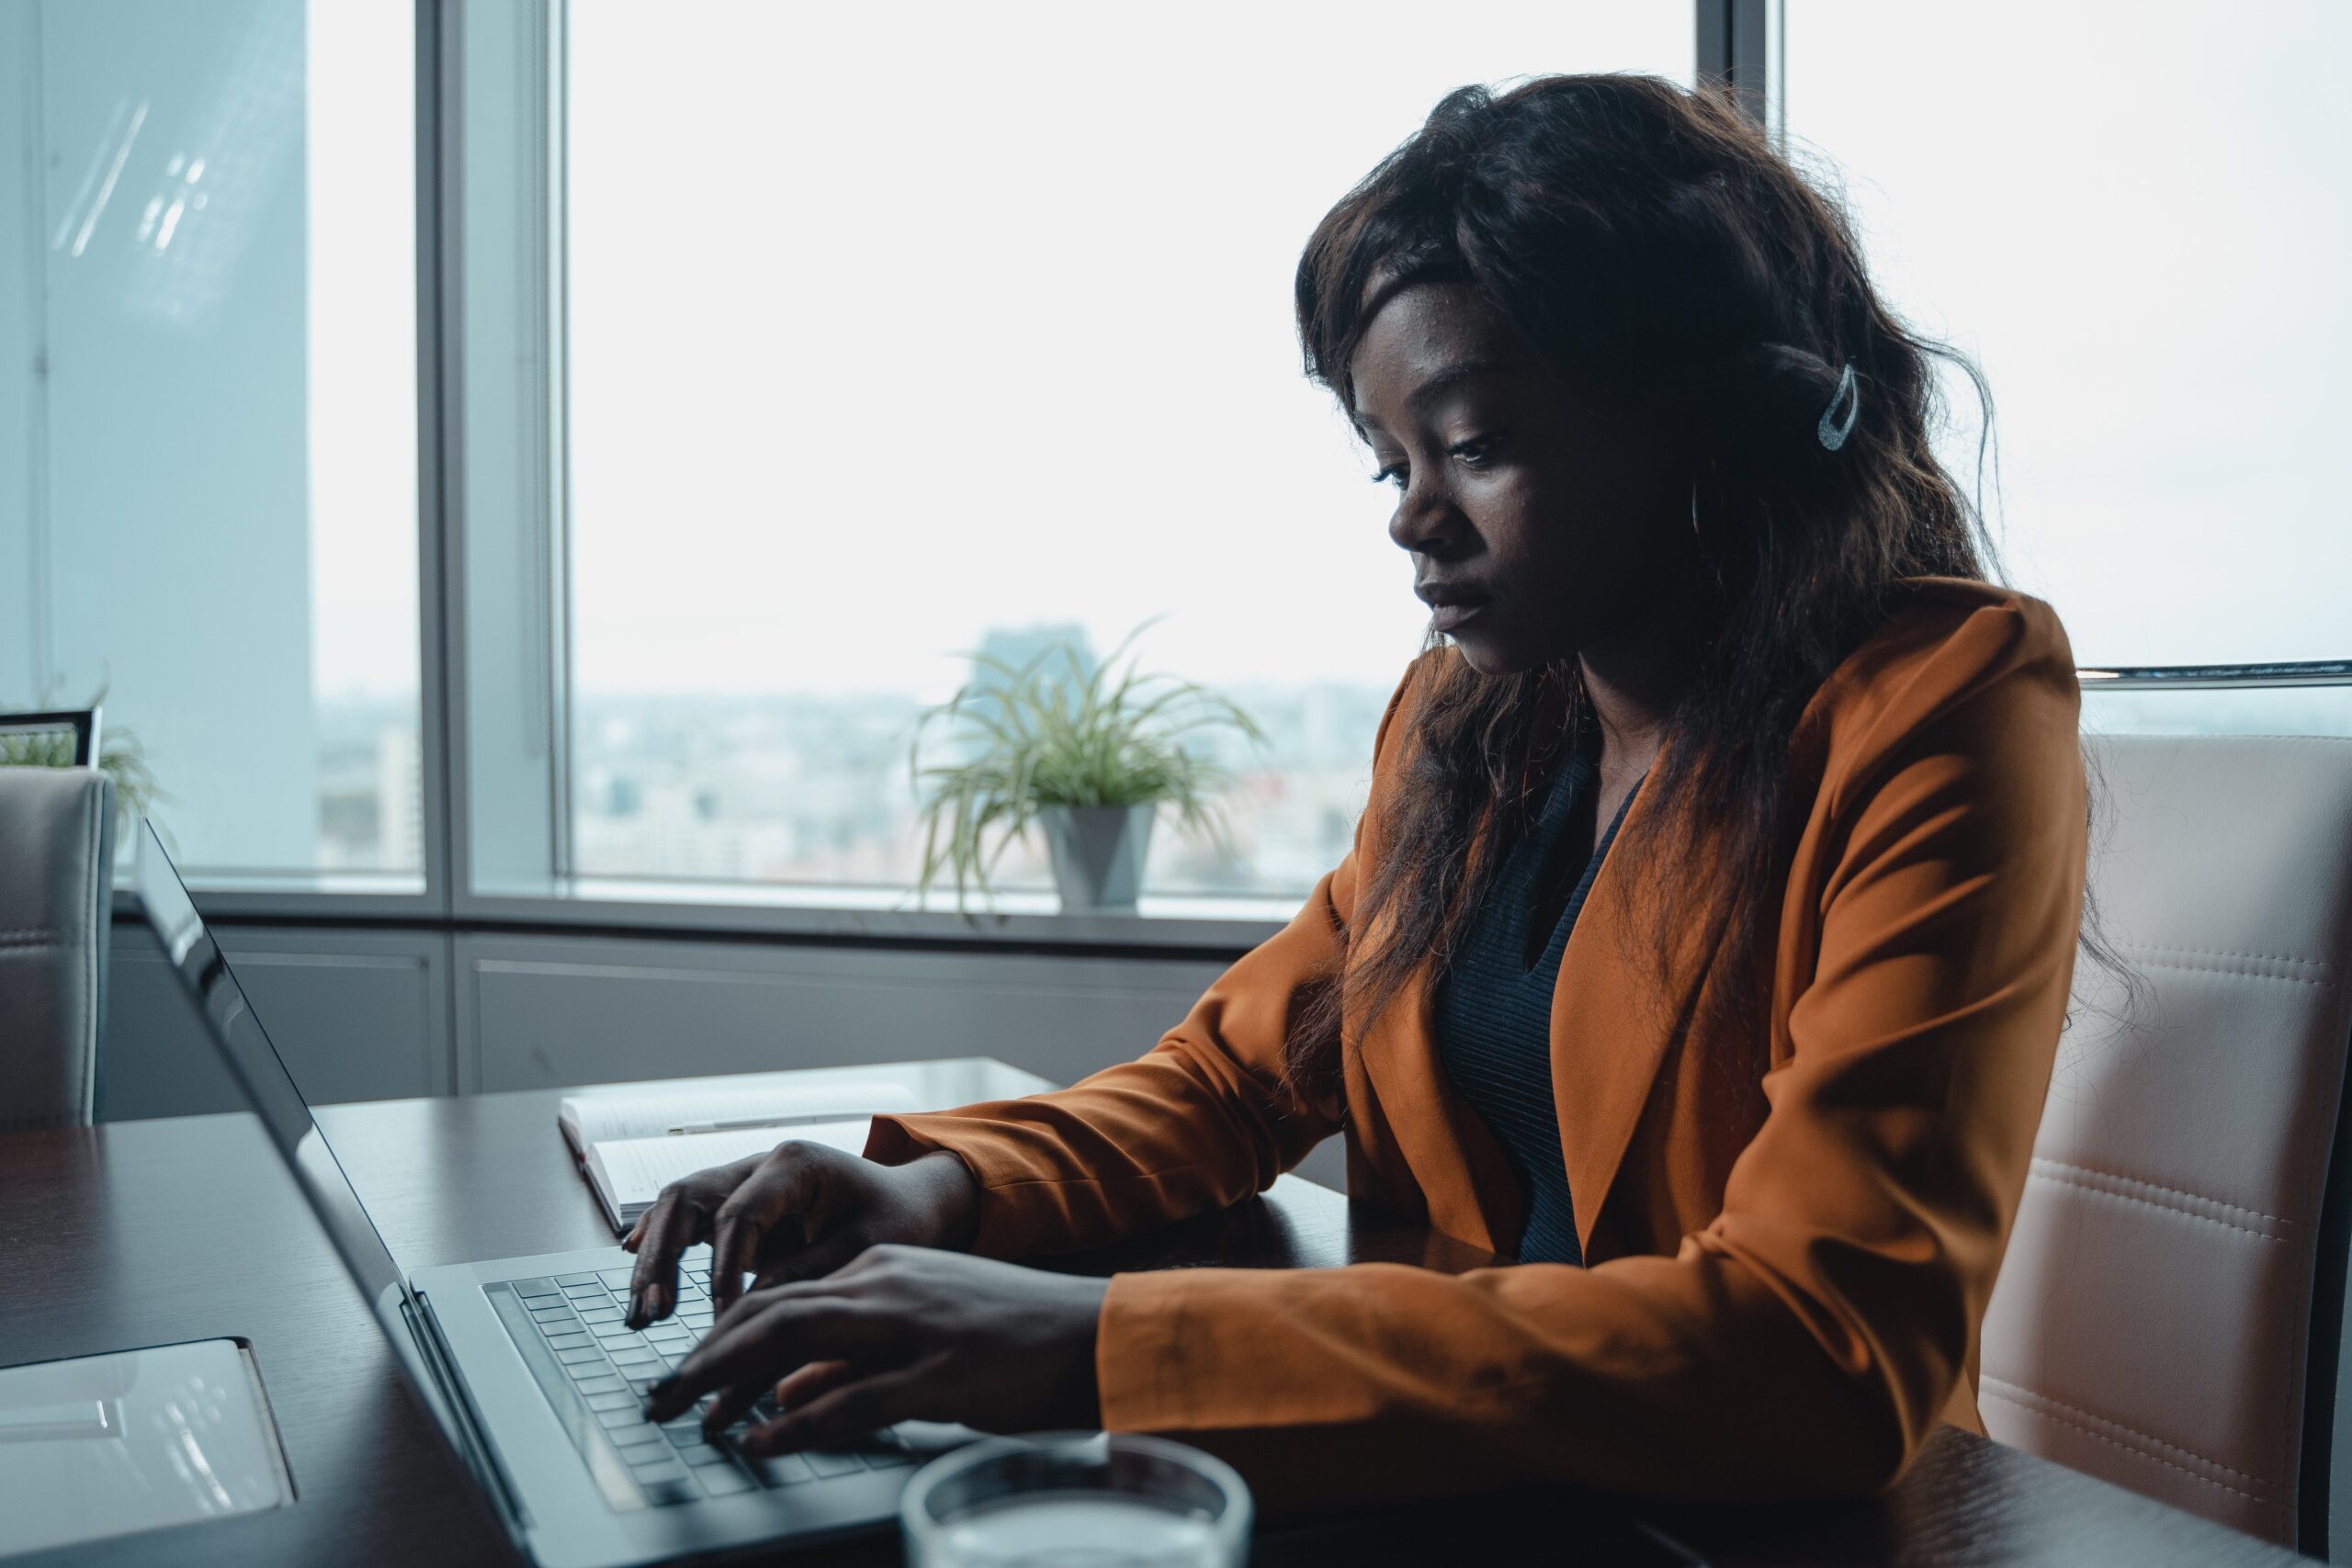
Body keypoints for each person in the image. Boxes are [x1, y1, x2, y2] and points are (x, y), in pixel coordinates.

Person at [630, 73, 2089, 1511]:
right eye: (1390, 456)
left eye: (1474, 444)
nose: (1410, 512)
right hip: (1452, 1489)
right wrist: (934, 1197)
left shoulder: (1943, 709)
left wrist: (1094, 1350)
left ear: (1704, 420)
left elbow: (1818, 1349)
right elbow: (1234, 1078)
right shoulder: (1475, 727)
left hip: (1749, 1528)